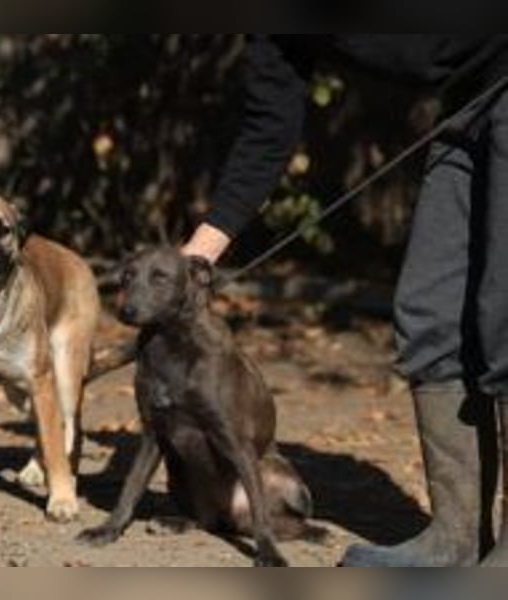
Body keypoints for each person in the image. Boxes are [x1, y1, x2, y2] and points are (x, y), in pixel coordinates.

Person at [181, 35, 508, 567]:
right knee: (429, 314)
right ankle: (458, 539)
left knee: (503, 315)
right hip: (470, 99)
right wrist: (199, 254)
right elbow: (268, 129)